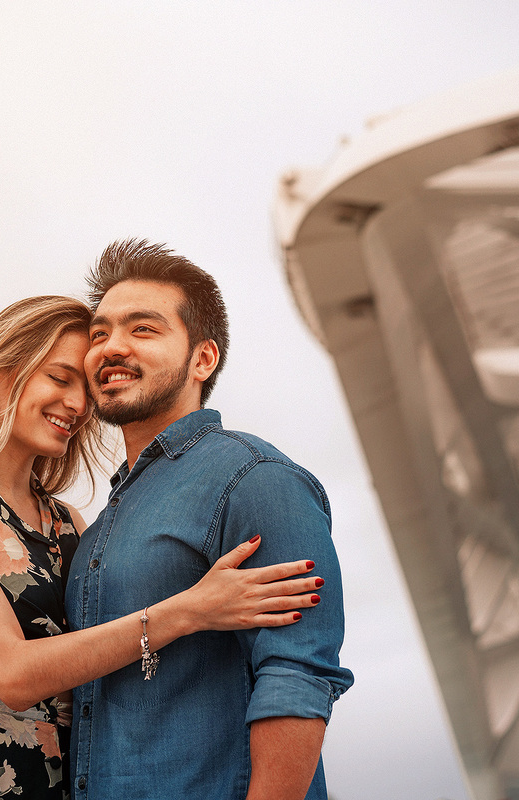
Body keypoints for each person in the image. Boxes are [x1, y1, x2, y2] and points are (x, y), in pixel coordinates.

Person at [0, 295, 323, 799]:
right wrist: (193, 609)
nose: (77, 404)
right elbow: (15, 675)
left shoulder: (71, 527)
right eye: (59, 378)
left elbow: (97, 653)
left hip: (66, 777)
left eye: (84, 389)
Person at [67, 239, 354, 800]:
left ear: (203, 358)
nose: (111, 348)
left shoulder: (254, 478)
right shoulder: (99, 531)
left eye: (143, 330)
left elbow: (298, 675)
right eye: (99, 334)